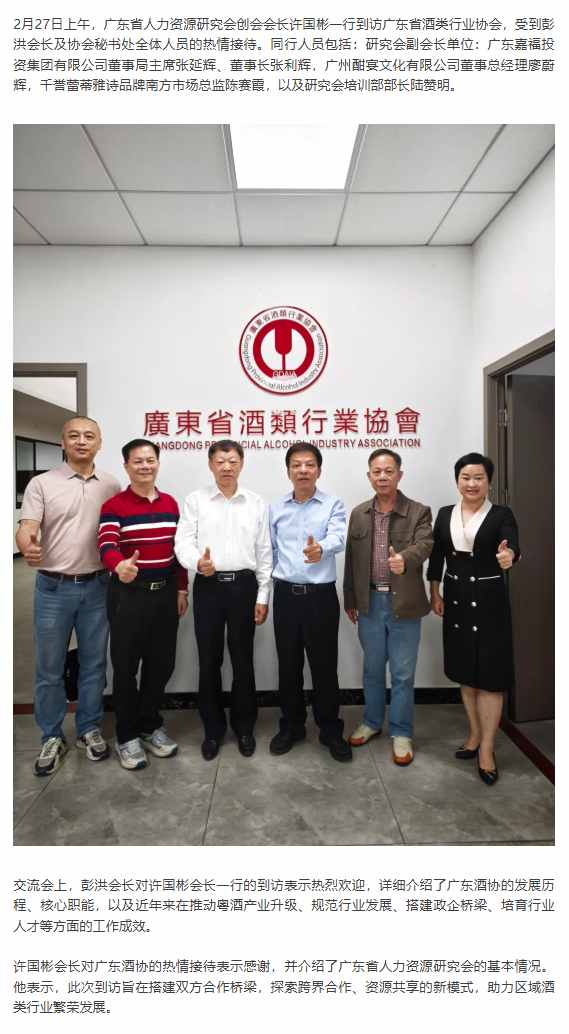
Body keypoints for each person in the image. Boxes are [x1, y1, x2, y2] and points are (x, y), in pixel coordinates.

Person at [16, 416, 121, 776]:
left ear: (99, 443)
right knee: (49, 668)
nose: (81, 441)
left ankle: (89, 728)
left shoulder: (111, 484)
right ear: (63, 442)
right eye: (73, 436)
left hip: (98, 586)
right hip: (53, 587)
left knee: (94, 664)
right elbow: (27, 527)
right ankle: (51, 735)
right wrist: (27, 546)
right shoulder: (42, 484)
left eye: (89, 436)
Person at [174, 440, 272, 761]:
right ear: (210, 465)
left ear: (241, 464)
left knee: (243, 659)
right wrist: (196, 562)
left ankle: (244, 727)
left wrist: (263, 594)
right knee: (208, 660)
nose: (226, 467)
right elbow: (182, 543)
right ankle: (213, 730)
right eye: (220, 461)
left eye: (232, 461)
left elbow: (264, 552)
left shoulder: (256, 502)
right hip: (209, 586)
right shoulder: (196, 500)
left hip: (244, 587)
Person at [427, 452, 520, 786]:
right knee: (466, 673)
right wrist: (434, 592)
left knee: (490, 676)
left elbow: (512, 546)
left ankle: (487, 750)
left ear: (488, 482)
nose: (472, 483)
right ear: (457, 481)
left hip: (490, 602)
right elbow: (437, 557)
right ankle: (474, 734)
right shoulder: (444, 514)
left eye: (478, 477)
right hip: (456, 600)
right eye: (465, 477)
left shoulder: (501, 515)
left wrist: (509, 555)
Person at [98, 439, 188, 770]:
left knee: (161, 664)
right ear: (127, 466)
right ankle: (127, 736)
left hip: (164, 594)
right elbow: (106, 543)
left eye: (150, 460)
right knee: (125, 668)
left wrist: (182, 589)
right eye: (138, 461)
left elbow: (179, 552)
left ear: (158, 464)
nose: (145, 466)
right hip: (128, 595)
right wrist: (118, 565)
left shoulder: (171, 503)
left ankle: (150, 726)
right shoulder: (114, 506)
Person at [343, 449, 433, 765]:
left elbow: (425, 545)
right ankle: (371, 722)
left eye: (389, 471)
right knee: (371, 669)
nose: (382, 477)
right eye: (376, 472)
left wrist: (404, 559)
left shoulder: (419, 511)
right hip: (369, 603)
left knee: (403, 673)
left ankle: (401, 731)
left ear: (399, 475)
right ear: (369, 476)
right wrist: (350, 599)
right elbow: (351, 560)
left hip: (403, 604)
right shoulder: (359, 513)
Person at [269, 443, 351, 762]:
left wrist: (321, 549)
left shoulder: (333, 504)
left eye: (309, 464)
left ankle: (330, 729)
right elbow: (271, 550)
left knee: (324, 666)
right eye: (296, 464)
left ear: (319, 469)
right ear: (288, 470)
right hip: (286, 596)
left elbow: (338, 537)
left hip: (320, 597)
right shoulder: (276, 508)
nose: (303, 470)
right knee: (288, 666)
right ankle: (292, 726)